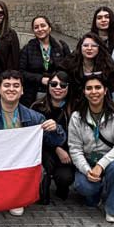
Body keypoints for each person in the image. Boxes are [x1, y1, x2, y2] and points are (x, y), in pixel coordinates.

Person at [0, 70, 65, 216]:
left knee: (18, 208)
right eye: (7, 85)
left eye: (16, 85)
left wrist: (56, 129)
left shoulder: (34, 118)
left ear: (22, 90)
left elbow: (56, 140)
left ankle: (15, 196)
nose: (11, 89)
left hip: (17, 168)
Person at [67, 75, 114, 223]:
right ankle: (97, 191)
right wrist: (87, 170)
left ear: (105, 90)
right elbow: (75, 149)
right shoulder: (77, 117)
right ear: (84, 92)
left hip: (113, 160)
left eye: (98, 87)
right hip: (89, 160)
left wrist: (101, 165)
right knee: (84, 187)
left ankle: (112, 208)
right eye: (89, 88)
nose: (93, 92)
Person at [33, 69, 76, 203]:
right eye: (53, 84)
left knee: (65, 178)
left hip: (68, 152)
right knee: (47, 162)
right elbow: (34, 137)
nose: (58, 88)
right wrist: (57, 148)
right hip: (46, 151)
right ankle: (42, 189)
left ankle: (61, 187)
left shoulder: (75, 108)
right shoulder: (37, 107)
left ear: (68, 87)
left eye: (63, 85)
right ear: (48, 86)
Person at [19, 15, 71, 106]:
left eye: (43, 26)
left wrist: (56, 81)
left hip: (57, 93)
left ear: (49, 28)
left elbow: (69, 69)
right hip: (33, 94)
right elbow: (21, 72)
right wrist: (40, 79)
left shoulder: (61, 46)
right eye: (36, 27)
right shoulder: (27, 49)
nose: (40, 29)